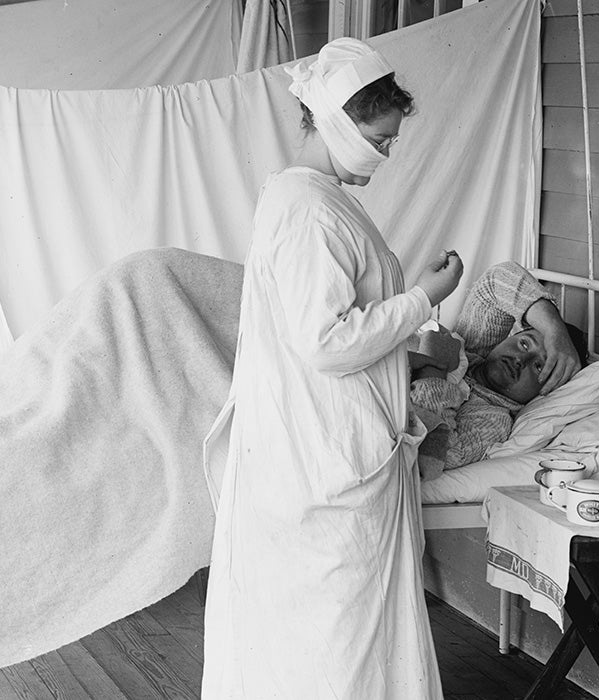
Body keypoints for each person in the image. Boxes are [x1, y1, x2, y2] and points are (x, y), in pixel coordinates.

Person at [201, 38, 459, 699]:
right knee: (334, 634)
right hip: (323, 454)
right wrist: (424, 297)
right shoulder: (308, 209)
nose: (386, 152)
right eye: (380, 138)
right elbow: (324, 343)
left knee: (338, 631)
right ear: (339, 122)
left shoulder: (316, 198)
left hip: (323, 442)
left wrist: (410, 345)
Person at [409, 261, 584, 475]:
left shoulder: (493, 419)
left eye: (539, 366)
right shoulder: (472, 347)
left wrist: (433, 367)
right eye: (525, 343)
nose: (521, 359)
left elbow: (435, 457)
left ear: (548, 388)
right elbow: (498, 279)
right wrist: (553, 330)